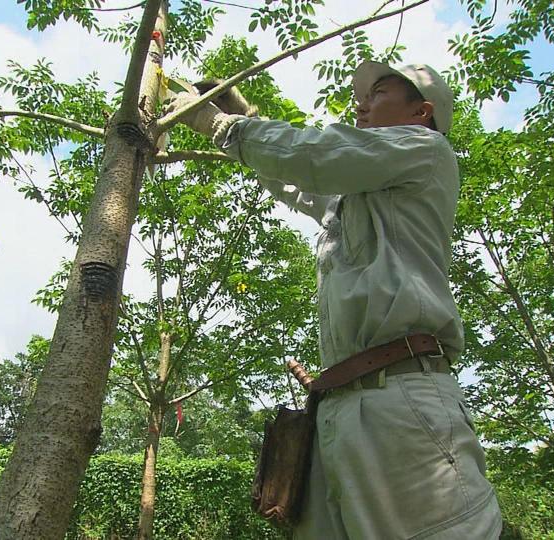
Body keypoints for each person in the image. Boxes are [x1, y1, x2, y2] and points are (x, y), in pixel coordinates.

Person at [167, 61, 502, 539]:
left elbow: (321, 155)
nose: (361, 104)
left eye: (379, 93)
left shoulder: (426, 150)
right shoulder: (358, 196)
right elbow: (300, 181)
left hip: (402, 400)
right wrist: (243, 115)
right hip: (342, 407)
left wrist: (224, 126)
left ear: (421, 112)